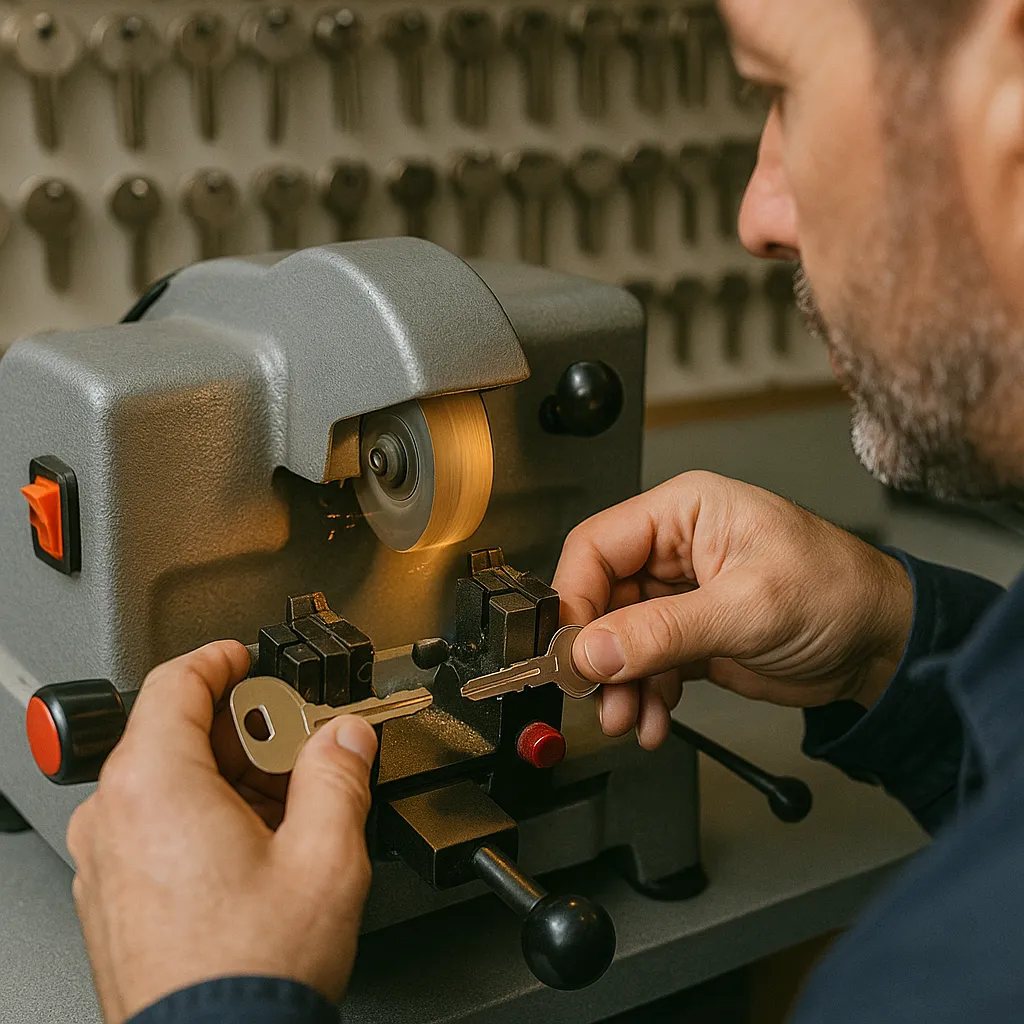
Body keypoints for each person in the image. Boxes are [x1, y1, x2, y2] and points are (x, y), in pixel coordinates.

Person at [66, 0, 1024, 1020]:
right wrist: (892, 647)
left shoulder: (933, 977)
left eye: (778, 89)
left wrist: (209, 997)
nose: (756, 215)